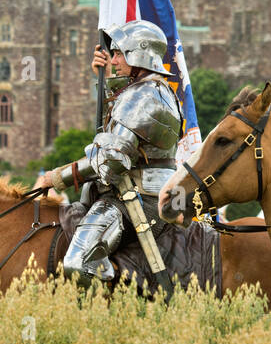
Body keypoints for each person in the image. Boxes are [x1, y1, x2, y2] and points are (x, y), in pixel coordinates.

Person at [46, 20, 182, 290]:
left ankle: (110, 310)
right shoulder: (149, 91)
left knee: (77, 263)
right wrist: (106, 75)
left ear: (138, 54)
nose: (114, 59)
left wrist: (56, 178)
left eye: (119, 53)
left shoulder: (143, 95)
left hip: (136, 200)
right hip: (134, 194)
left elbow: (109, 161)